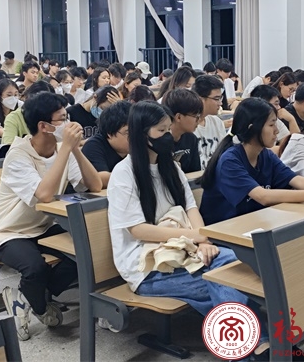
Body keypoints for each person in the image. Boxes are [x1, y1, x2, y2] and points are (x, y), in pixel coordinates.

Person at [106, 101, 270, 357]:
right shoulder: (123, 174)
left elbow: (191, 207)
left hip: (184, 252)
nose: (168, 136)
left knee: (229, 274)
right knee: (228, 276)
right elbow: (139, 231)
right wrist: (196, 236)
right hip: (146, 268)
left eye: (168, 129)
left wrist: (204, 241)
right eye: (161, 131)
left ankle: (255, 347)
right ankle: (260, 346)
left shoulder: (170, 166)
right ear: (141, 135)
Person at [0, 92, 101, 341]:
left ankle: (25, 297)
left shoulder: (62, 149)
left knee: (87, 252)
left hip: (44, 226)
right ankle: (38, 304)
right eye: (62, 119)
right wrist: (67, 149)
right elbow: (44, 195)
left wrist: (75, 150)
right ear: (44, 126)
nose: (69, 124)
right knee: (35, 268)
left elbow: (93, 184)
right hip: (10, 231)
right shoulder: (18, 155)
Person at [199, 97, 304, 226]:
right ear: (252, 128)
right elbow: (263, 196)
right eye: (271, 125)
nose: (277, 131)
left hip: (255, 224)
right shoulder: (230, 160)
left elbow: (298, 180)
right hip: (223, 232)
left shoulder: (266, 156)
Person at [82, 100, 131, 188]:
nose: (135, 137)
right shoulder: (93, 146)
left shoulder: (143, 144)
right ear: (110, 133)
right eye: (128, 133)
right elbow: (101, 179)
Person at [162, 89, 202, 173]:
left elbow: (195, 172)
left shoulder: (191, 139)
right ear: (178, 117)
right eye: (196, 116)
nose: (198, 121)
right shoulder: (160, 141)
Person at [191, 75, 227, 169]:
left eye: (220, 98)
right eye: (216, 99)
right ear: (200, 99)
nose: (220, 103)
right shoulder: (187, 126)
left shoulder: (217, 122)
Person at [249, 84, 299, 149]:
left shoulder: (276, 121)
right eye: (276, 104)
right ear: (263, 103)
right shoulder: (248, 123)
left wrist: (291, 120)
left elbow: (291, 145)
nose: (279, 107)